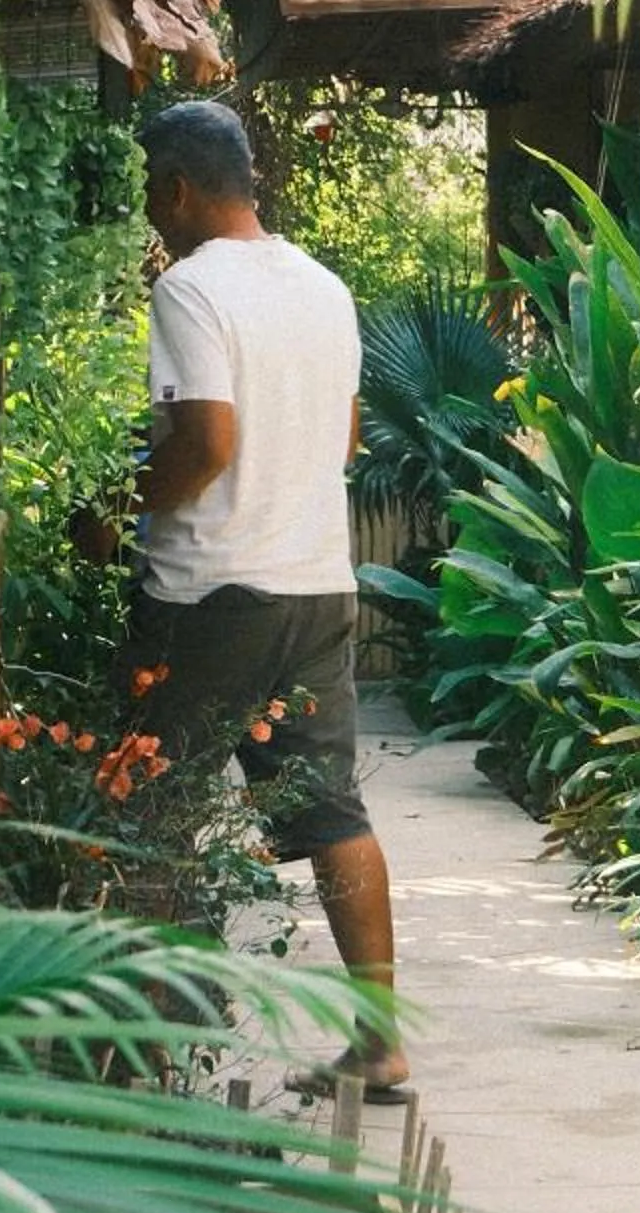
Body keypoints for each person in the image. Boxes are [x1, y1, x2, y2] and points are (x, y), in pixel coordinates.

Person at [75, 100, 408, 1100]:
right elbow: (342, 442)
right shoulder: (321, 287)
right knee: (331, 813)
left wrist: (110, 512)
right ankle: (381, 1042)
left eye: (148, 193)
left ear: (176, 189)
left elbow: (206, 447)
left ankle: (143, 1048)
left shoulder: (188, 290)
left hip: (209, 595)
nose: (148, 213)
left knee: (146, 812)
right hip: (314, 586)